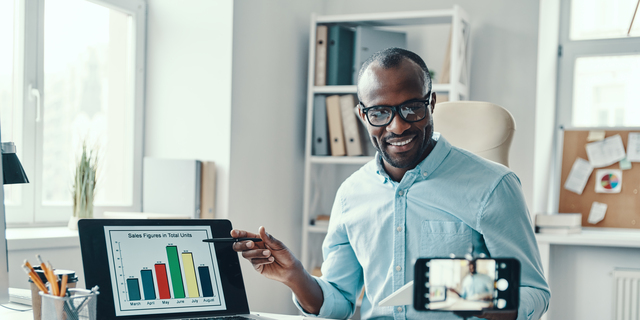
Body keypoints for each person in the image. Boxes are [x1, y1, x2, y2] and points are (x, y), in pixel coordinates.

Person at [231, 48, 550, 320]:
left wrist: (483, 299)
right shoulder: (351, 195)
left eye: (412, 108)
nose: (398, 126)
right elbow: (340, 302)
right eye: (381, 112)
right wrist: (294, 275)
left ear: (432, 103)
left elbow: (535, 293)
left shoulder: (494, 186)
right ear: (362, 114)